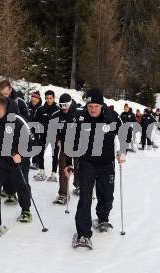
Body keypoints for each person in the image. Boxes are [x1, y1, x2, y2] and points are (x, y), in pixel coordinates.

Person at [64, 88, 126, 249]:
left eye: (96, 106)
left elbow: (123, 134)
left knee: (106, 195)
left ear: (102, 105)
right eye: (90, 105)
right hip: (87, 163)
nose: (92, 109)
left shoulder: (112, 116)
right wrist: (68, 163)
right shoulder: (80, 117)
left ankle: (102, 218)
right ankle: (83, 233)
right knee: (85, 197)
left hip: (107, 164)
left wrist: (122, 151)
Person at [0, 95, 32, 240]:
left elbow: (32, 142)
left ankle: (26, 210)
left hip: (18, 162)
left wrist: (20, 154)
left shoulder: (18, 120)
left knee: (22, 186)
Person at [0, 80, 29, 204]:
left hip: (18, 135)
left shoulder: (19, 101)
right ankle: (9, 190)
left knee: (16, 167)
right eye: (2, 93)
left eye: (6, 93)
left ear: (10, 89)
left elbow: (27, 118)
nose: (4, 95)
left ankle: (18, 193)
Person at [52, 93, 79, 204]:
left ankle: (79, 186)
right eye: (61, 105)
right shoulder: (56, 115)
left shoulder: (78, 113)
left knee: (78, 167)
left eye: (66, 105)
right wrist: (57, 139)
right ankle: (63, 194)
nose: (64, 108)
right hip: (65, 145)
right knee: (63, 167)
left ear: (70, 102)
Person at [33, 90, 60, 182]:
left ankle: (53, 174)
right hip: (43, 136)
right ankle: (42, 172)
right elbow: (35, 123)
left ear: (53, 98)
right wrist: (37, 135)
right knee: (40, 153)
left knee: (55, 155)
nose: (49, 100)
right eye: (47, 98)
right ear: (45, 98)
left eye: (51, 98)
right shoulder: (40, 109)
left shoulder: (58, 109)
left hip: (55, 136)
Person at [28, 91, 42, 170]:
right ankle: (26, 160)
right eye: (32, 99)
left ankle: (35, 162)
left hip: (37, 129)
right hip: (28, 128)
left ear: (38, 100)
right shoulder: (27, 106)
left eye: (36, 100)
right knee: (27, 144)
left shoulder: (40, 108)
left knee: (36, 145)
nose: (34, 101)